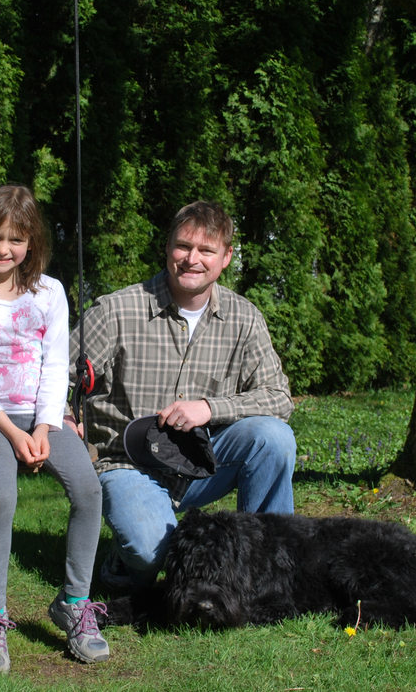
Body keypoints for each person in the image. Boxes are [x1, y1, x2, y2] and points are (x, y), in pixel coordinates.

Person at [69, 200, 297, 589]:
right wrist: (63, 419)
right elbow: (57, 374)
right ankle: (126, 558)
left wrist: (210, 408)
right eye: (183, 246)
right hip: (127, 463)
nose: (192, 259)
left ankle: (262, 571)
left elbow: (279, 398)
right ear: (168, 247)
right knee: (150, 552)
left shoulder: (244, 318)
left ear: (225, 258)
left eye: (206, 250)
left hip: (200, 462)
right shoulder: (117, 310)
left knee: (273, 439)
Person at [0, 184, 108, 673]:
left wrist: (44, 425)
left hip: (44, 413)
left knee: (88, 491)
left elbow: (56, 364)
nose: (3, 248)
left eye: (16, 239)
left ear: (32, 243)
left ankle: (74, 603)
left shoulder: (50, 292)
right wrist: (13, 434)